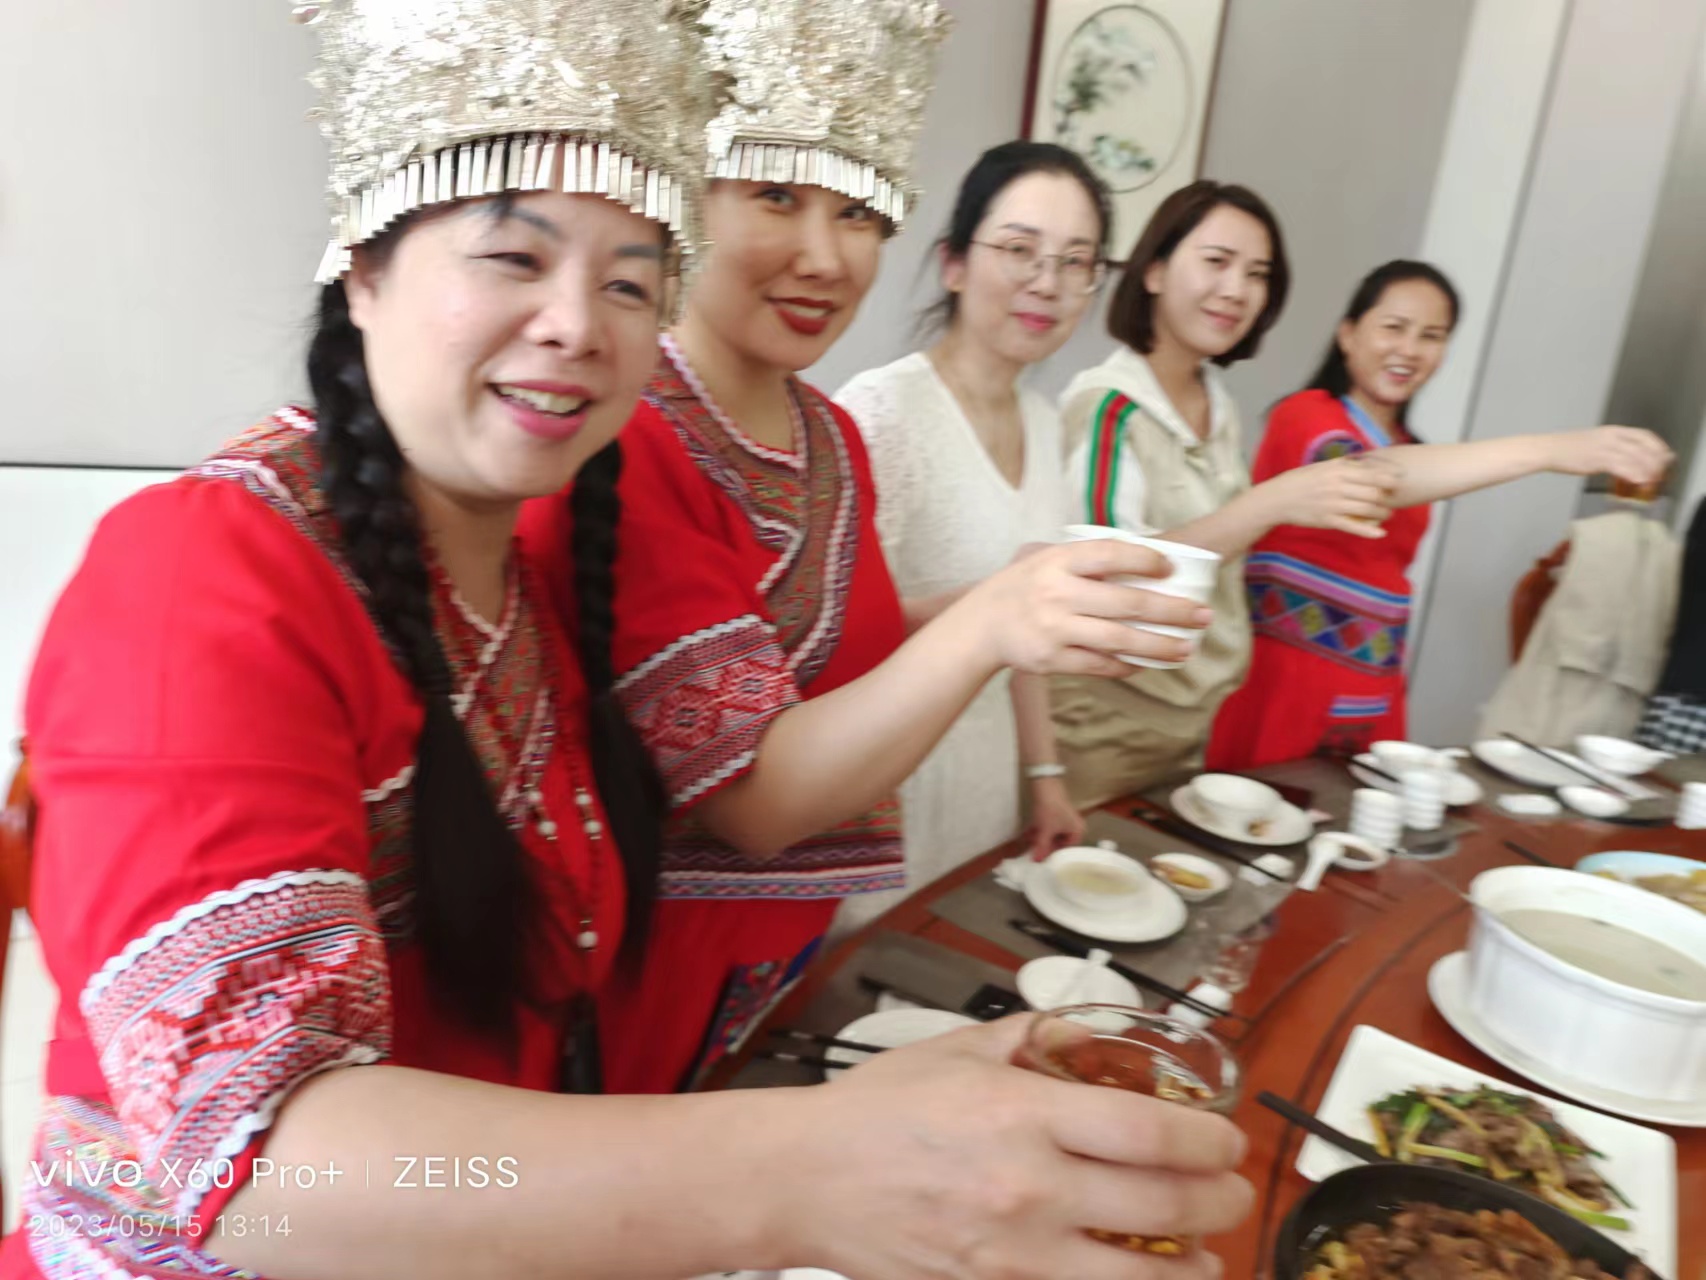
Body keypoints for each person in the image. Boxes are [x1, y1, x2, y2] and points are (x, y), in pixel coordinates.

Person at [6, 4, 1250, 1277]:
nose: (574, 323)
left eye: (625, 280)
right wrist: (802, 1167)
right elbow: (264, 1176)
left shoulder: (521, 583)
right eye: (513, 256)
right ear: (363, 270)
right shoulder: (198, 575)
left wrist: (870, 1120)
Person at [522, 0, 1213, 1098]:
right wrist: (994, 621)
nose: (823, 255)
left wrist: (1017, 605)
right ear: (687, 199)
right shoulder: (629, 432)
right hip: (666, 969)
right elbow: (753, 799)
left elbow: (849, 644)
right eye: (775, 196)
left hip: (803, 947)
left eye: (855, 212)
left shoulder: (826, 434)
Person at [1209, 260, 1673, 766]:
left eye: (1431, 336)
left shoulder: (1414, 449)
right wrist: (1550, 450)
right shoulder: (1306, 416)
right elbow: (1364, 478)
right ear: (1348, 335)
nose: (1410, 349)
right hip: (1282, 685)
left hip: (1373, 689)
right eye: (1394, 327)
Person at [1053, 181, 1403, 809]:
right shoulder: (1109, 407)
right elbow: (1109, 572)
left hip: (1193, 718)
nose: (1237, 290)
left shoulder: (1217, 404)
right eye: (1216, 262)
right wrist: (1271, 503)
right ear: (1155, 271)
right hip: (1107, 725)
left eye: (1257, 274)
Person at [833, 141, 1109, 915]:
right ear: (954, 264)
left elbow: (1031, 642)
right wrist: (1000, 602)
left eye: (1075, 262)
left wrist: (1045, 779)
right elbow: (839, 634)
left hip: (986, 780)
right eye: (1019, 251)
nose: (1046, 283)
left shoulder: (1045, 422)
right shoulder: (882, 411)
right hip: (889, 777)